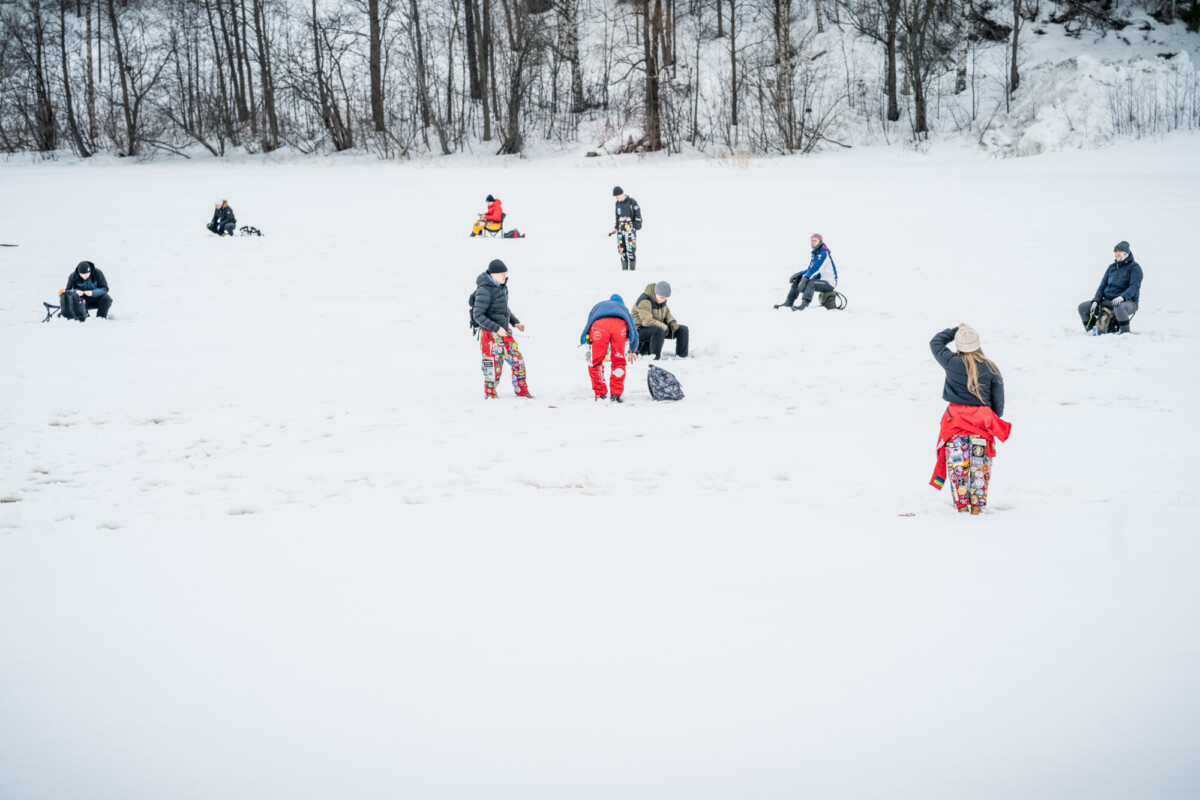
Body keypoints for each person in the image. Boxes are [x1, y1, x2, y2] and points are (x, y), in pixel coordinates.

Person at [929, 325, 1011, 515]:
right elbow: (998, 406)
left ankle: (962, 510)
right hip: (981, 428)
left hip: (955, 426)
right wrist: (987, 416)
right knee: (979, 472)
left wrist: (955, 330)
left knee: (959, 473)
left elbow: (935, 342)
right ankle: (976, 509)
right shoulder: (991, 368)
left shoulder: (951, 362)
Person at [472, 259, 532, 399]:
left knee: (518, 360)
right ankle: (491, 395)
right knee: (493, 367)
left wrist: (515, 322)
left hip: (505, 333)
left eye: (505, 272)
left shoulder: (502, 287)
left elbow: (504, 310)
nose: (504, 275)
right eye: (500, 273)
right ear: (492, 274)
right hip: (489, 335)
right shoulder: (484, 290)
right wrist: (496, 328)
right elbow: (477, 315)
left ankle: (522, 392)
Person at [581, 294, 640, 403]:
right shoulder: (623, 309)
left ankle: (600, 394)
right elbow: (634, 332)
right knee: (618, 361)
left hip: (599, 326)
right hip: (619, 326)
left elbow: (588, 326)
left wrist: (589, 350)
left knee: (595, 361)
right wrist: (632, 349)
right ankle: (615, 395)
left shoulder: (599, 306)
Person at [1078, 241, 1143, 334]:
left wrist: (1122, 297)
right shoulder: (1111, 268)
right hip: (1107, 301)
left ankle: (1125, 333)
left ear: (1126, 253)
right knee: (1083, 307)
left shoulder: (1134, 268)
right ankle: (1093, 331)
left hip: (1128, 302)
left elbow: (1134, 287)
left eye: (1120, 251)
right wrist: (1096, 301)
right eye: (1116, 251)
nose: (1117, 253)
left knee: (1119, 306)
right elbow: (1102, 286)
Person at [775, 234, 838, 310]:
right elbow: (810, 268)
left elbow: (816, 269)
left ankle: (804, 305)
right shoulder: (815, 253)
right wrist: (799, 274)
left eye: (815, 241)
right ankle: (788, 302)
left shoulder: (823, 253)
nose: (813, 242)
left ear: (820, 242)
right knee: (797, 280)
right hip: (819, 279)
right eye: (812, 241)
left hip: (829, 282)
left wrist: (805, 278)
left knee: (811, 283)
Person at [633, 281, 688, 360]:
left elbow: (667, 313)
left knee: (683, 329)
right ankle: (655, 358)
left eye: (666, 298)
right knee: (659, 330)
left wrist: (672, 322)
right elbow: (647, 321)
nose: (664, 300)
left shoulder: (661, 300)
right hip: (639, 330)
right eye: (662, 297)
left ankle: (682, 357)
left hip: (655, 328)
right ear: (656, 293)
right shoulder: (644, 301)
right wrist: (664, 327)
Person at [610, 186, 642, 271]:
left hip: (630, 230)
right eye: (615, 197)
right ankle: (624, 271)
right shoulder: (617, 204)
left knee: (631, 250)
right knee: (621, 251)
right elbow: (617, 217)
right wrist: (616, 227)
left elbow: (638, 215)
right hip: (620, 231)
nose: (616, 198)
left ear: (622, 194)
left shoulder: (632, 202)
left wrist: (635, 227)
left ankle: (632, 271)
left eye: (617, 196)